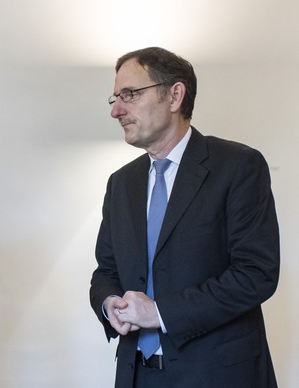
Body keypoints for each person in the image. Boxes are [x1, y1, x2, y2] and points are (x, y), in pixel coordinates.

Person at [89, 47, 280, 388]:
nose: (117, 110)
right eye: (115, 98)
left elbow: (256, 274)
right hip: (136, 375)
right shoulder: (121, 183)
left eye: (130, 94)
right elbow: (106, 271)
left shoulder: (238, 167)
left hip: (217, 374)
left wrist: (159, 313)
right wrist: (109, 303)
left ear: (175, 95)